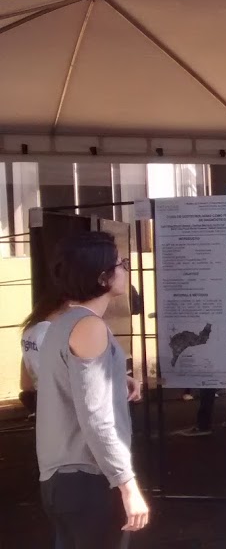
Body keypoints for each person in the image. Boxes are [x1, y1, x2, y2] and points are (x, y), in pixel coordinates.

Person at [36, 231, 150, 547]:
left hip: (63, 480)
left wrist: (116, 377)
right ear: (102, 277)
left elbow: (69, 383)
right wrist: (127, 485)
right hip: (87, 479)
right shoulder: (89, 327)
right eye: (121, 263)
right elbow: (96, 418)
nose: (125, 269)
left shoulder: (63, 322)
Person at [19, 292, 69, 416]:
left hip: (42, 399)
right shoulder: (52, 331)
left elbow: (25, 383)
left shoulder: (29, 331)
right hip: (61, 404)